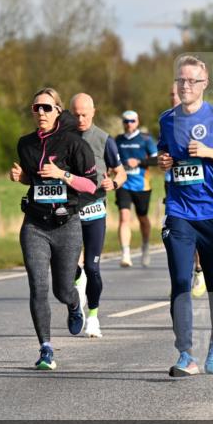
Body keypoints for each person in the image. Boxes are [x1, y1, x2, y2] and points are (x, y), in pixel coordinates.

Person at [157, 55, 213, 377]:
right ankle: (185, 355)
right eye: (181, 80)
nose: (185, 86)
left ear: (204, 84)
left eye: (192, 81)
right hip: (179, 211)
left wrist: (209, 152)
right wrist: (164, 161)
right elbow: (164, 151)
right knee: (180, 280)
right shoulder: (167, 119)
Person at [10, 88, 98, 370]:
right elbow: (34, 180)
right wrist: (23, 177)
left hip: (67, 224)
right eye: (36, 108)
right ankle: (46, 349)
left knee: (62, 290)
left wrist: (62, 174)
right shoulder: (25, 144)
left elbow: (91, 185)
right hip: (35, 225)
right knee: (38, 286)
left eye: (47, 108)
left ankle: (74, 304)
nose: (41, 113)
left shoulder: (74, 143)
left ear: (59, 110)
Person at [70, 93, 127, 338]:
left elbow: (121, 173)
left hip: (94, 211)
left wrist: (113, 184)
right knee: (69, 267)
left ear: (93, 111)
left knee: (93, 268)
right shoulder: (63, 139)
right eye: (76, 114)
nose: (81, 119)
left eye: (85, 114)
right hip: (69, 212)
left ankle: (93, 316)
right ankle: (77, 282)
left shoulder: (105, 140)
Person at [114, 110, 158, 267]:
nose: (129, 124)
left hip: (142, 185)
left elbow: (156, 159)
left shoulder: (145, 139)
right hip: (123, 184)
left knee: (142, 218)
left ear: (137, 121)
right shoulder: (118, 140)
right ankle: (125, 254)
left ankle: (145, 246)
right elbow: (111, 159)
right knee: (124, 217)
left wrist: (139, 162)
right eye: (126, 121)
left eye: (132, 121)